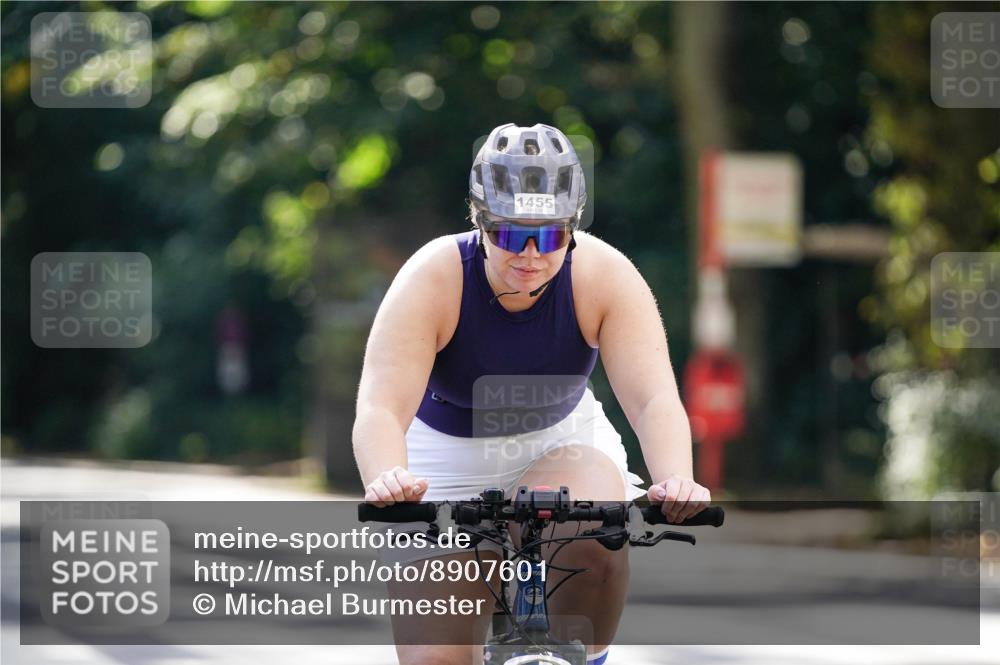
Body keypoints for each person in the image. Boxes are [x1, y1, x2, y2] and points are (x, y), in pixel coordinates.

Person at [353, 123, 710, 665]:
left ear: (571, 229)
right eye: (508, 234)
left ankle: (580, 656)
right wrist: (388, 479)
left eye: (548, 236)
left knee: (590, 532)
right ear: (479, 223)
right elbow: (380, 406)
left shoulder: (604, 275)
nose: (529, 254)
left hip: (558, 442)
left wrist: (674, 479)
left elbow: (653, 399)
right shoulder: (434, 276)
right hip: (442, 459)